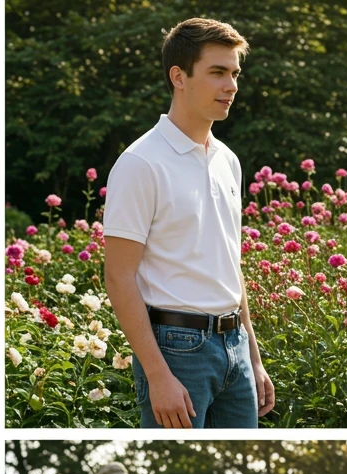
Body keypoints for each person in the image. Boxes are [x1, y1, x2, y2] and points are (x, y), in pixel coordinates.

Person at [104, 18, 274, 429]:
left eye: (234, 73)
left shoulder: (228, 161)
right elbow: (118, 276)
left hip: (235, 348)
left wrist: (253, 355)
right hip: (177, 352)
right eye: (217, 72)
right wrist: (158, 375)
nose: (231, 85)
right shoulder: (140, 163)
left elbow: (229, 263)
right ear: (178, 77)